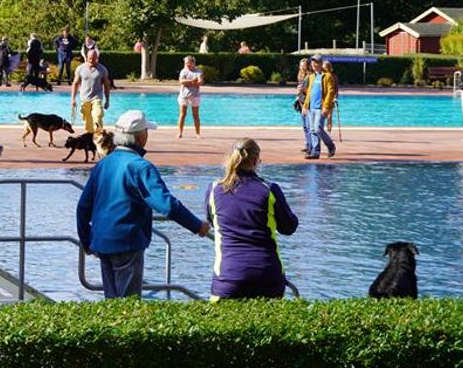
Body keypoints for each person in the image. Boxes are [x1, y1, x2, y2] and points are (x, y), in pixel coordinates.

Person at [76, 110, 210, 299]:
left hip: (102, 241)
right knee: (128, 307)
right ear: (140, 137)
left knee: (112, 302)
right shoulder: (141, 167)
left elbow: (83, 207)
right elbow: (166, 204)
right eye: (146, 131)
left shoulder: (103, 164)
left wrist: (86, 239)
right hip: (127, 241)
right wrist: (197, 225)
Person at [204, 139, 298, 299]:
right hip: (268, 276)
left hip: (229, 277)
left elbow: (213, 221)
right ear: (255, 160)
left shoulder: (214, 190)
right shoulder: (270, 189)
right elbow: (289, 228)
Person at [302, 54, 337, 159]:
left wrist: (326, 107)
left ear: (321, 64)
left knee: (317, 128)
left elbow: (331, 92)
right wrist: (305, 105)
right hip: (311, 107)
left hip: (321, 107)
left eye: (316, 62)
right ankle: (315, 152)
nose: (313, 64)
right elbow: (309, 92)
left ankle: (331, 146)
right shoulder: (312, 76)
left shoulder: (327, 76)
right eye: (312, 62)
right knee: (312, 130)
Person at [70, 49, 111, 133]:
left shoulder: (102, 69)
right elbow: (75, 84)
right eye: (90, 59)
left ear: (97, 58)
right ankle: (90, 138)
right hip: (85, 99)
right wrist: (73, 99)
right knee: (87, 123)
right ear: (87, 58)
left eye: (94, 59)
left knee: (98, 115)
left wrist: (107, 100)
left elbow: (107, 86)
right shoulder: (80, 69)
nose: (92, 60)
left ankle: (99, 135)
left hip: (97, 98)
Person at [177, 55, 203, 139]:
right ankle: (180, 133)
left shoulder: (198, 71)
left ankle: (198, 133)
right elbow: (181, 81)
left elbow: (200, 81)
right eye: (185, 63)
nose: (187, 65)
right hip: (184, 95)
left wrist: (191, 83)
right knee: (182, 114)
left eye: (188, 63)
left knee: (195, 115)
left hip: (195, 95)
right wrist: (192, 81)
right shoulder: (183, 71)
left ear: (193, 63)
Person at [295, 58, 312, 154]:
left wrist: (302, 90)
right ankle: (307, 144)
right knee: (305, 125)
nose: (302, 67)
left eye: (303, 65)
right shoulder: (300, 75)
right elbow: (300, 88)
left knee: (309, 125)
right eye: (300, 65)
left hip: (308, 101)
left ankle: (311, 146)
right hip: (301, 100)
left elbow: (309, 91)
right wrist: (297, 97)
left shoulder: (310, 76)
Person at [322, 59, 340, 133]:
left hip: (330, 98)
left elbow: (336, 88)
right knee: (323, 115)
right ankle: (323, 130)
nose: (323, 69)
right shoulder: (322, 76)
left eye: (324, 67)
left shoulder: (333, 77)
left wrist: (335, 97)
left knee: (329, 115)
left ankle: (329, 131)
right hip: (322, 98)